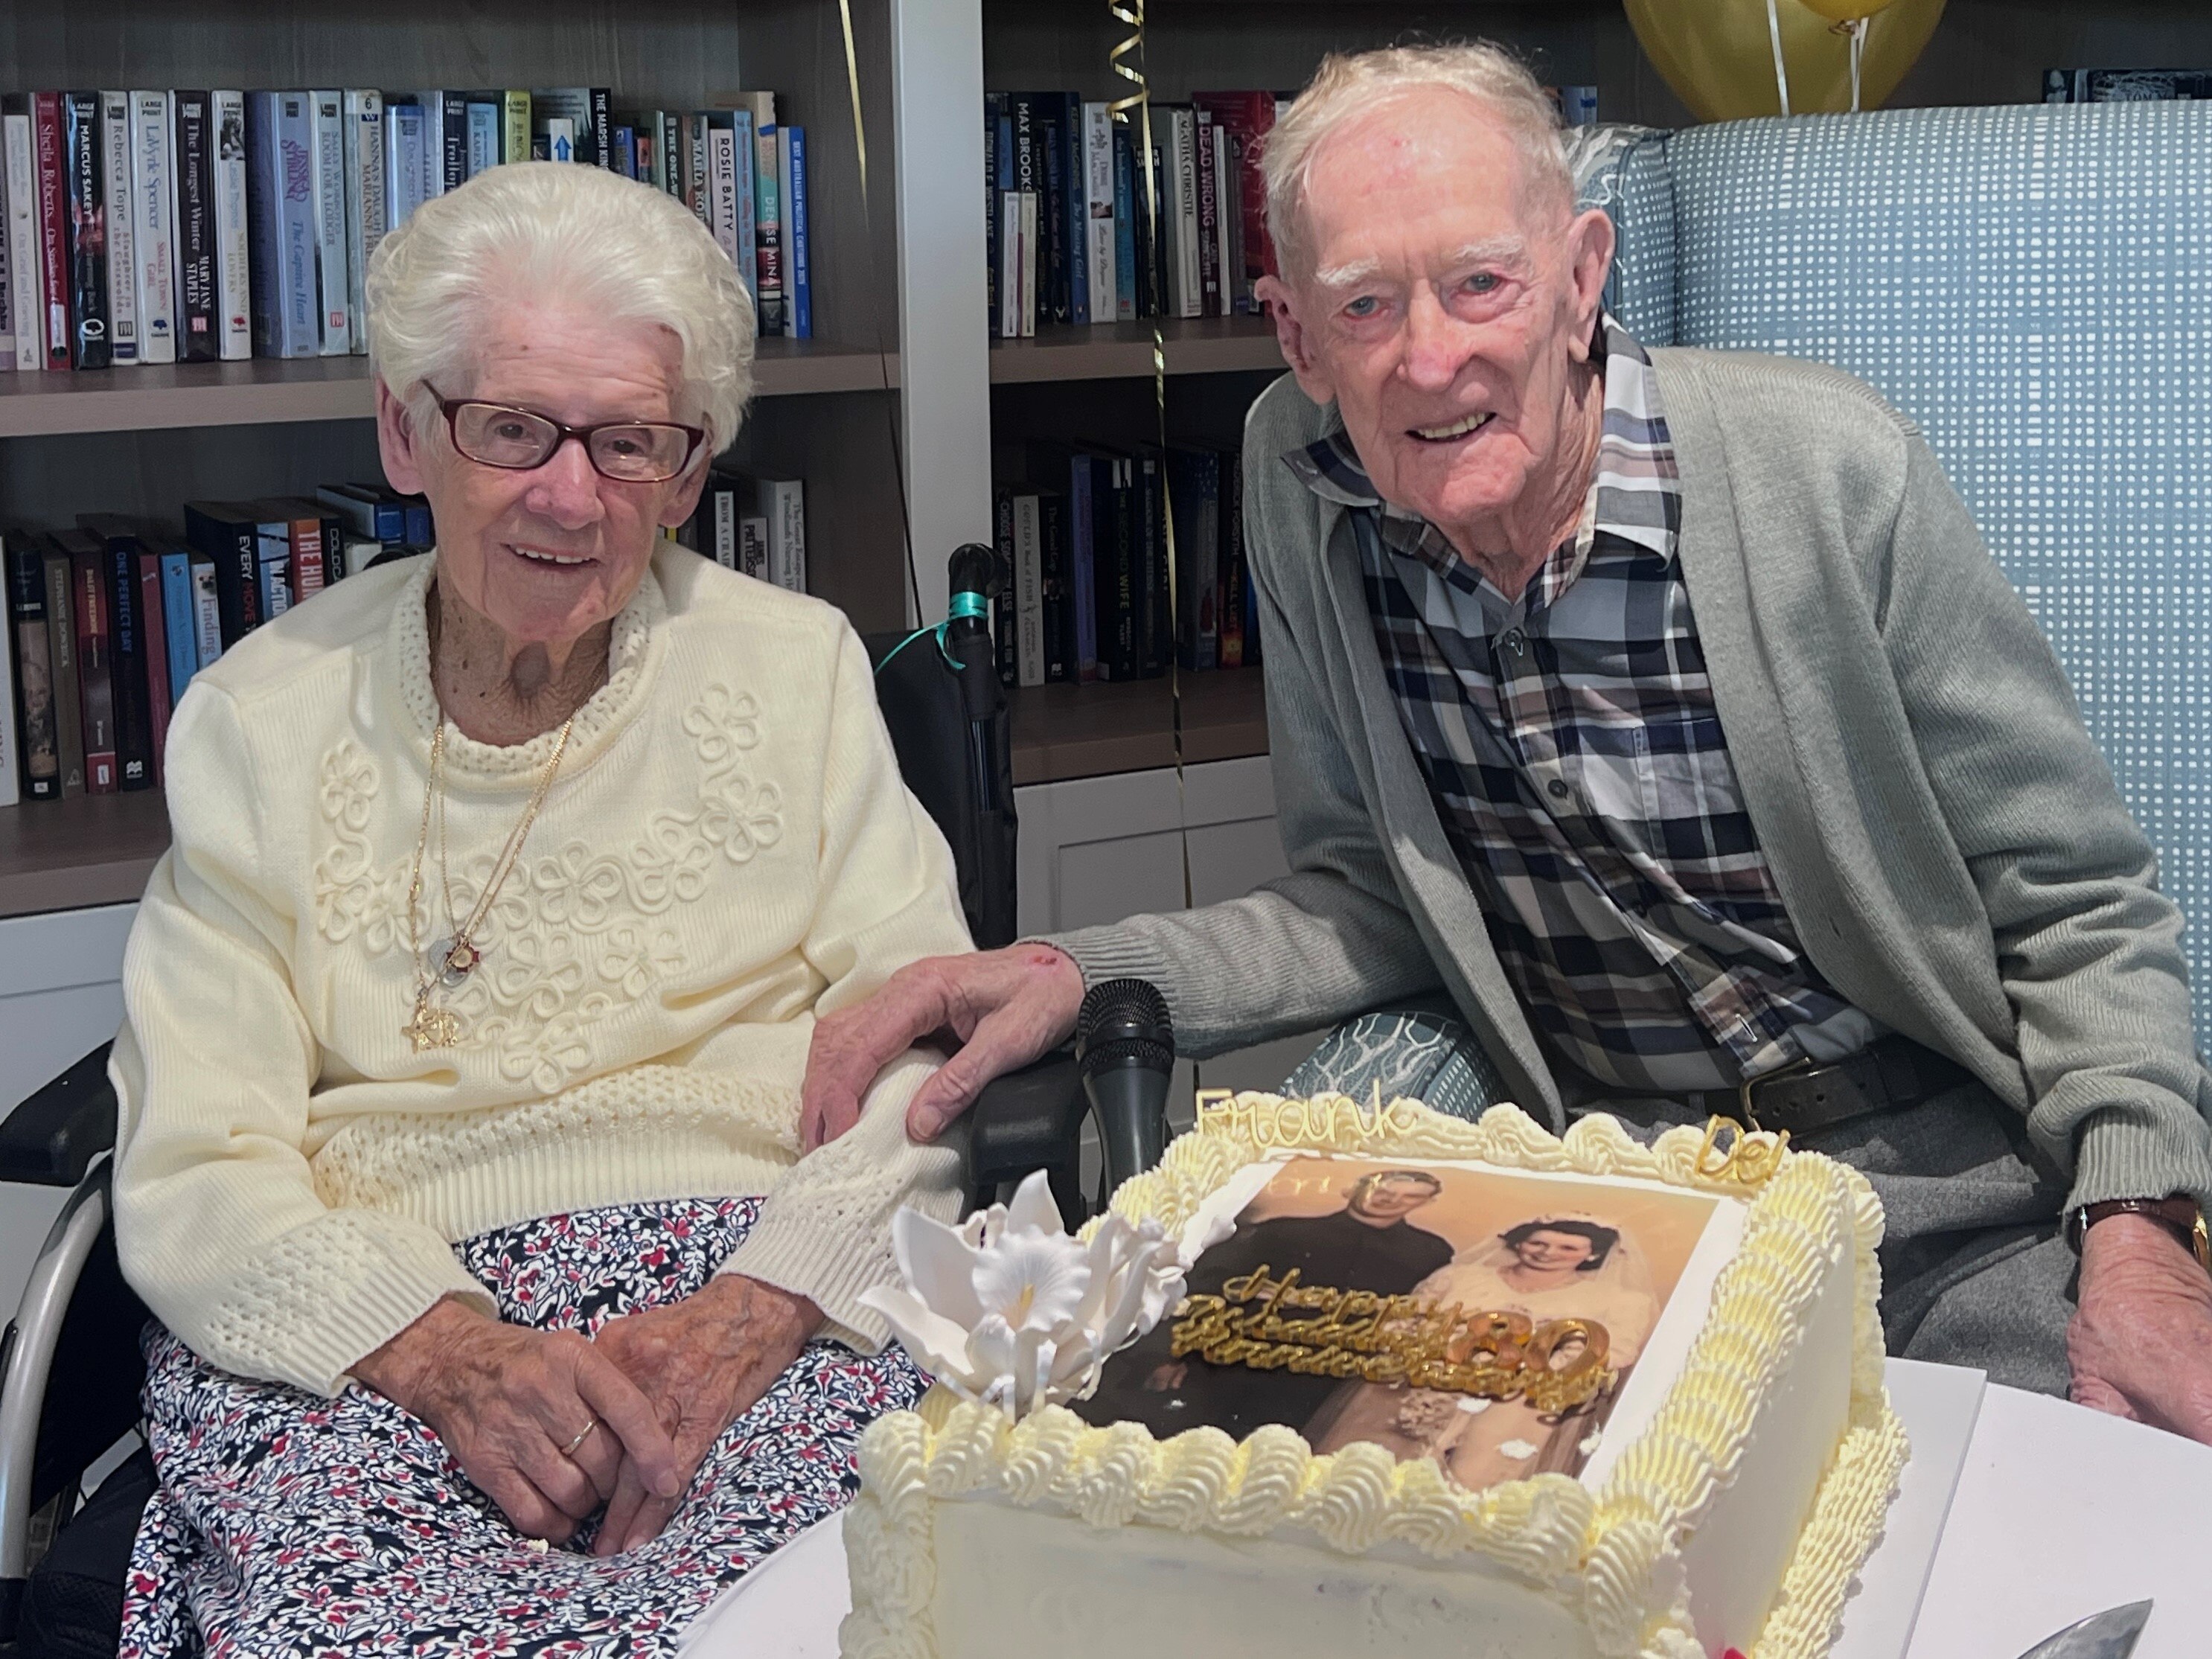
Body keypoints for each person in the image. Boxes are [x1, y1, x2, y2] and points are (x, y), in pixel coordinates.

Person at [802, 42, 2212, 1439]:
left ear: (1582, 277)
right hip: (1607, 1218)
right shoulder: (1302, 497)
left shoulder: (1829, 473)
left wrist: (2139, 1226)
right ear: (1296, 334)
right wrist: (1077, 966)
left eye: (1481, 281)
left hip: (1949, 1190)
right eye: (1365, 304)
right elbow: (1370, 897)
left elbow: (2072, 897)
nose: (1431, 357)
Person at [108, 162, 972, 1658]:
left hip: (744, 1304)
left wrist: (764, 1303)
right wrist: (443, 1348)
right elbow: (195, 1157)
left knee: (844, 1623)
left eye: (628, 441)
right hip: (375, 1329)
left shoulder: (795, 672)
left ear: (690, 474)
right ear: (406, 430)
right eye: (512, 427)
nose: (570, 494)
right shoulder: (258, 719)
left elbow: (931, 1050)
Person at [1081, 1169, 1451, 1441]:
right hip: (1241, 1374)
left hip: (1339, 1389)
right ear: (1353, 1186)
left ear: (1426, 1203)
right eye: (1383, 1188)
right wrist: (1175, 1353)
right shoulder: (1283, 1231)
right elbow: (1208, 1291)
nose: (1391, 1199)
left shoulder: (1430, 1253)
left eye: (1409, 1196)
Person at [1310, 1216, 1659, 1490]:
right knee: (1371, 1471)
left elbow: (1615, 1351)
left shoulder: (1617, 1302)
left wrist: (1534, 1365)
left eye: (1567, 1248)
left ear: (1593, 1255)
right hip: (1423, 1386)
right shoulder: (1461, 1278)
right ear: (1519, 1241)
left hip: (1518, 1406)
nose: (1547, 1253)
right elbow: (1401, 1322)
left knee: (1473, 1484)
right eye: (1537, 1242)